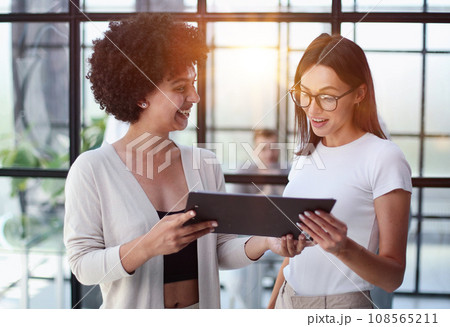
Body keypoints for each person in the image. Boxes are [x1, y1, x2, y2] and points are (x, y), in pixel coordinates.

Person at [64, 13, 305, 309]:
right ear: (141, 95)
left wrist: (266, 242)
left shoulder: (205, 163)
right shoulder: (93, 169)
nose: (195, 96)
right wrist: (148, 246)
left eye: (193, 84)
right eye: (180, 88)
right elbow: (82, 265)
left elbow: (218, 250)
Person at [267, 33, 412, 309]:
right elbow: (291, 261)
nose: (313, 108)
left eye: (327, 97)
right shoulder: (305, 157)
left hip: (341, 308)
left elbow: (393, 277)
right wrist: (271, 308)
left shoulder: (384, 158)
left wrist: (343, 247)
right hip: (288, 298)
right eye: (305, 95)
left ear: (359, 93)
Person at [232, 128, 288, 196]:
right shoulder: (244, 172)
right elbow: (235, 202)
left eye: (273, 148)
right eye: (263, 149)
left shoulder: (288, 171)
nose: (269, 154)